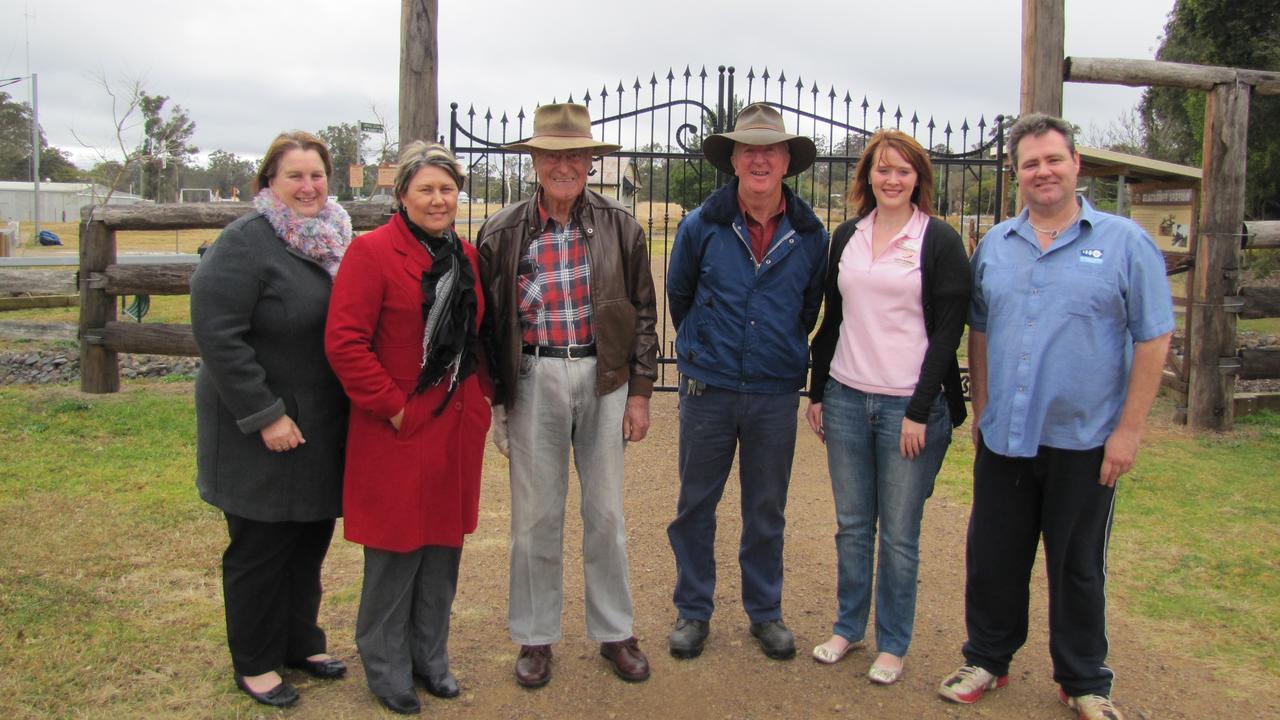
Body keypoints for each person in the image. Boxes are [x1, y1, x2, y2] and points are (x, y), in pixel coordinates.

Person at [937, 113, 1173, 720]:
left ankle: (1084, 679)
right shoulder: (996, 245)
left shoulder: (1124, 243)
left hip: (1085, 438)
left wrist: (1129, 431)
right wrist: (984, 408)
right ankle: (987, 658)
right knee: (993, 556)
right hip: (1007, 436)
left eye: (1053, 160)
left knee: (1076, 565)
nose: (1043, 172)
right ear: (1018, 176)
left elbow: (1153, 338)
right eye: (1030, 164)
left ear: (1076, 166)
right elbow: (980, 331)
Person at [476, 103, 659, 688]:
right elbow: (487, 323)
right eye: (552, 155)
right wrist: (497, 401)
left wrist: (639, 392)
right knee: (535, 518)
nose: (564, 166)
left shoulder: (621, 226)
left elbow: (645, 315)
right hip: (534, 379)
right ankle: (535, 636)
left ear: (590, 161)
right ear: (535, 162)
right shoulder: (501, 231)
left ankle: (614, 631)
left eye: (575, 155)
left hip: (603, 380)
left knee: (605, 514)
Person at [324, 141, 493, 716]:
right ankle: (386, 666)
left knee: (442, 551)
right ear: (401, 196)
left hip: (454, 426)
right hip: (398, 428)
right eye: (426, 189)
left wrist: (481, 401)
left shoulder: (464, 257)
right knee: (395, 554)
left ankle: (431, 659)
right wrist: (393, 407)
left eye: (447, 189)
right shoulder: (370, 254)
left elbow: (476, 340)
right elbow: (345, 343)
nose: (439, 199)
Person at [190, 131, 352, 708]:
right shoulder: (246, 242)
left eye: (316, 175)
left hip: (319, 426)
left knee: (308, 539)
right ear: (269, 183)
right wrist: (265, 414)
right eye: (294, 176)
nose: (308, 187)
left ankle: (299, 642)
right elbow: (217, 335)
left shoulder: (333, 238)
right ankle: (255, 663)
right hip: (261, 429)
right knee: (260, 547)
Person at [805, 130, 971, 684]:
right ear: (867, 176)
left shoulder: (939, 241)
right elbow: (833, 319)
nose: (891, 179)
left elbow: (949, 334)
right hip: (848, 396)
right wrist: (818, 391)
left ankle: (893, 642)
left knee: (899, 532)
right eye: (882, 169)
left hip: (908, 405)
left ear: (918, 177)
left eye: (902, 170)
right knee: (853, 525)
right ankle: (848, 627)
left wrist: (921, 411)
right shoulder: (847, 236)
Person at [665, 102, 828, 661]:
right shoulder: (701, 225)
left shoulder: (810, 235)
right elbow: (680, 297)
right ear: (733, 159)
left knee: (766, 508)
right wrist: (708, 347)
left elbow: (808, 309)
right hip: (708, 389)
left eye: (771, 149)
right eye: (749, 149)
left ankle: (765, 611)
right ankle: (693, 610)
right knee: (695, 506)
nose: (760, 159)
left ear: (786, 161)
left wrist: (775, 350)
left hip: (773, 391)